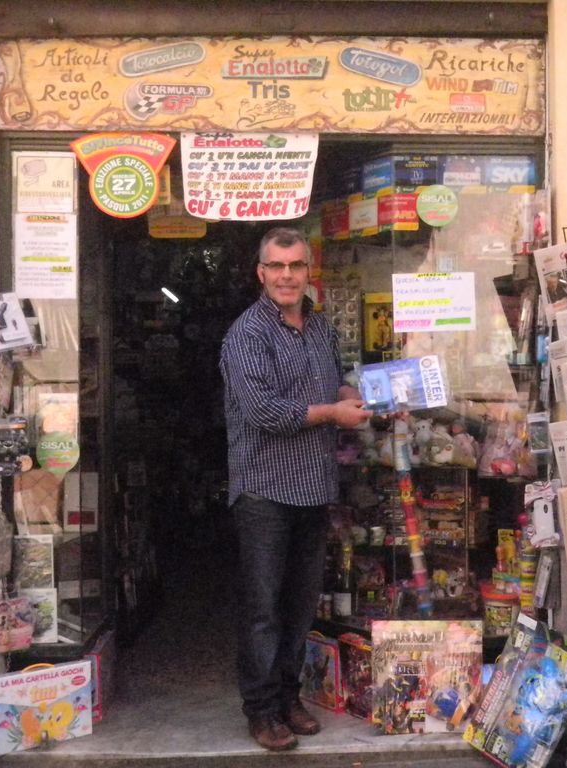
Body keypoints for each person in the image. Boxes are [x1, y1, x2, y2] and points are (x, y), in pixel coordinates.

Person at [220, 227, 372, 751]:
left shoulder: (321, 326)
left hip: (313, 486)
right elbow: (265, 413)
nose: (287, 276)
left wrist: (355, 396)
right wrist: (333, 413)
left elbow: (336, 381)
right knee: (263, 609)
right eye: (277, 266)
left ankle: (288, 697)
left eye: (296, 265)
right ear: (261, 273)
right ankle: (261, 710)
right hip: (264, 491)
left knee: (300, 606)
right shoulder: (246, 335)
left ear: (309, 271)